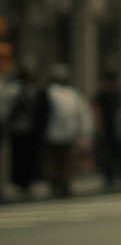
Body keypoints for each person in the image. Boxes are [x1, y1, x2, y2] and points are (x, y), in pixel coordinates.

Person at [42, 62, 93, 198]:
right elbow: (83, 115)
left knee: (63, 163)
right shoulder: (52, 93)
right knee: (58, 163)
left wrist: (83, 134)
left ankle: (62, 185)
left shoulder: (70, 94)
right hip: (55, 135)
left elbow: (82, 115)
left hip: (63, 136)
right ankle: (59, 184)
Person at [3, 67, 46, 196]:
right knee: (20, 155)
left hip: (27, 128)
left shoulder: (30, 89)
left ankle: (24, 180)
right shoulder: (15, 89)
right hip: (19, 127)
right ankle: (20, 180)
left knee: (25, 155)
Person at [94, 71, 121, 189]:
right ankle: (109, 176)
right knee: (106, 154)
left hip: (117, 130)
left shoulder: (117, 95)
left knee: (119, 152)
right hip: (105, 131)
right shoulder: (100, 96)